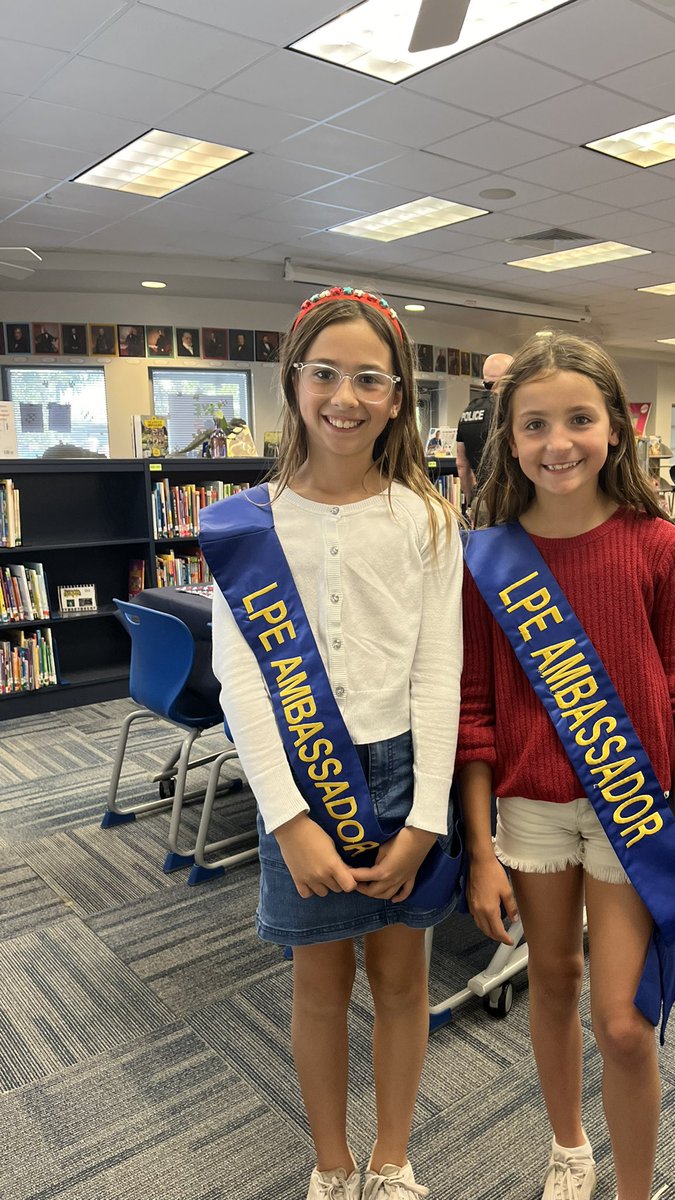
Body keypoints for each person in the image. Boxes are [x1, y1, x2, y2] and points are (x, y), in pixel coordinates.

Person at [204, 286, 463, 1200]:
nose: (343, 397)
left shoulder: (429, 518)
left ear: (397, 397)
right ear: (292, 382)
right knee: (318, 986)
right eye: (324, 373)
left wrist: (427, 818)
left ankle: (392, 1159)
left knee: (401, 977)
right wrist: (286, 820)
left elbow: (440, 674)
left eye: (368, 378)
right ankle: (332, 1163)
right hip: (302, 790)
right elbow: (243, 683)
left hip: (401, 777)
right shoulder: (245, 525)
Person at [458, 333, 675, 1200]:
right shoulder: (486, 559)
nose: (557, 442)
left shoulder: (658, 546)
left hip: (631, 811)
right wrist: (482, 847)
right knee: (554, 983)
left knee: (624, 1023)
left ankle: (637, 1189)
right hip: (531, 808)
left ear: (615, 429)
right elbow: (478, 713)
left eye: (578, 419)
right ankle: (570, 1149)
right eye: (534, 425)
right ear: (509, 437)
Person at [455, 351, 514, 508]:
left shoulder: (468, 411)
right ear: (509, 378)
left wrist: (470, 500)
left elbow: (462, 464)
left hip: (481, 502)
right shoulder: (511, 410)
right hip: (512, 501)